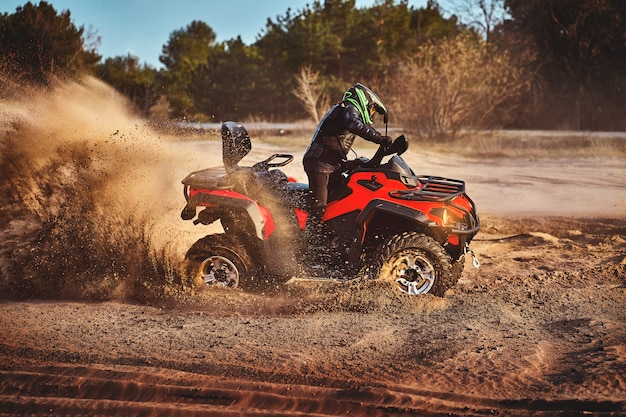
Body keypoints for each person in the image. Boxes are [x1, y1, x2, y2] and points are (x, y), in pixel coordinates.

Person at [303, 83, 391, 225]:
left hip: (329, 163)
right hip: (320, 165)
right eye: (372, 109)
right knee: (319, 207)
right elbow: (354, 125)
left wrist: (353, 163)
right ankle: (309, 241)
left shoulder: (343, 111)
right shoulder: (349, 108)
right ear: (364, 101)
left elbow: (333, 144)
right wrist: (379, 138)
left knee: (342, 197)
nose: (371, 114)